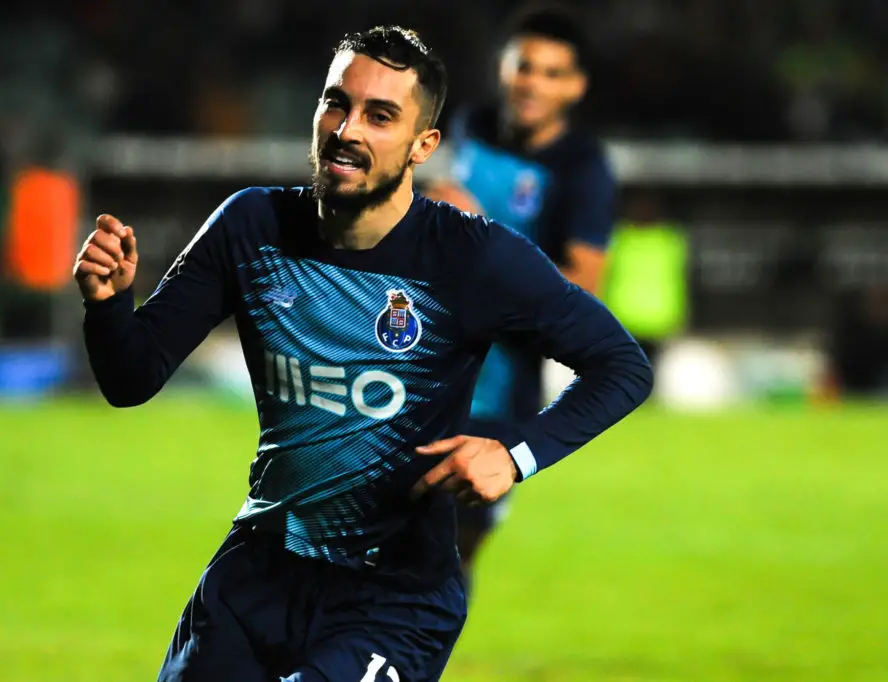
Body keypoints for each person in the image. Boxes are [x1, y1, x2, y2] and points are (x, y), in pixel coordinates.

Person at [75, 25, 652, 682]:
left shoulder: (472, 256)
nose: (348, 130)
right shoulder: (252, 226)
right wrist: (109, 305)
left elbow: (622, 365)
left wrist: (515, 454)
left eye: (380, 116)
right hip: (257, 572)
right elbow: (131, 378)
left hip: (392, 600)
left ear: (423, 146)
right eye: (336, 103)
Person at [423, 3, 618, 589]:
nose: (533, 83)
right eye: (524, 66)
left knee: (454, 549)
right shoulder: (470, 126)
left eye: (553, 73)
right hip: (419, 359)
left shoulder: (582, 169)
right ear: (502, 68)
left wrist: (479, 233)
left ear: (577, 87)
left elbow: (582, 287)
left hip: (499, 388)